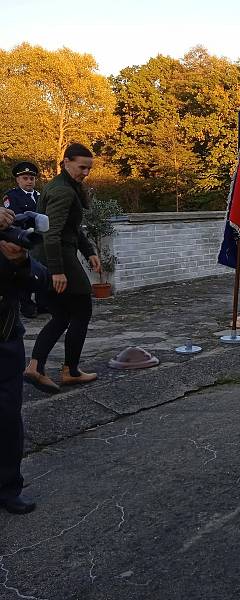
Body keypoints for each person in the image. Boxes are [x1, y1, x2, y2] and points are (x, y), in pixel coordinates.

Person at [23, 143, 101, 394]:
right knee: (81, 310)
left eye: (89, 169)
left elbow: (71, 228)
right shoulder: (63, 192)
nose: (86, 173)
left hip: (46, 258)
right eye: (82, 167)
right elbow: (52, 233)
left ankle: (35, 367)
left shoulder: (64, 186)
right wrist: (57, 271)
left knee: (61, 315)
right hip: (56, 258)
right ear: (66, 162)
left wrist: (89, 251)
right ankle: (71, 371)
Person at [0, 206, 49, 514]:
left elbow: (39, 281)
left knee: (7, 422)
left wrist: (19, 260)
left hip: (4, 345)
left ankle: (8, 489)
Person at [3, 162, 43, 318]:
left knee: (41, 270)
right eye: (25, 178)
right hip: (23, 238)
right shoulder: (11, 196)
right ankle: (26, 305)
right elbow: (14, 217)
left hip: (40, 239)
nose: (29, 181)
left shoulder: (40, 196)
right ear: (18, 180)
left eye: (32, 178)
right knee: (25, 272)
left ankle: (42, 303)